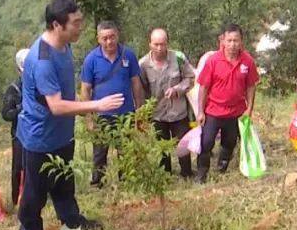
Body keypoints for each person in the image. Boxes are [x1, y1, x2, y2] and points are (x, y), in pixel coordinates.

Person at [17, 0, 124, 230]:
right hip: (40, 137)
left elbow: (67, 93)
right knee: (35, 191)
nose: (80, 28)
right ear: (57, 25)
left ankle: (72, 221)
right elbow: (56, 106)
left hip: (62, 134)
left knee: (64, 183)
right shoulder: (42, 60)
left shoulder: (65, 46)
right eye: (75, 23)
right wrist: (96, 106)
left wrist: (84, 111)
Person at [80, 21, 145, 186]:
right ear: (98, 39)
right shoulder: (91, 59)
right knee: (99, 153)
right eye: (105, 38)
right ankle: (97, 184)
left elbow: (136, 84)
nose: (109, 42)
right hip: (102, 116)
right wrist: (89, 118)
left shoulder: (128, 55)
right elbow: (85, 89)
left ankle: (126, 181)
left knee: (126, 151)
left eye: (112, 37)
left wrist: (140, 111)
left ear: (118, 35)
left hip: (126, 114)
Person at [196, 23, 259, 183]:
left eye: (236, 40)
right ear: (223, 41)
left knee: (230, 141)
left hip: (236, 112)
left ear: (241, 41)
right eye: (229, 40)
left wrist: (249, 108)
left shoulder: (247, 61)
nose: (232, 44)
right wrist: (200, 111)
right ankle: (202, 173)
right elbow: (203, 87)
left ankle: (222, 166)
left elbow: (251, 86)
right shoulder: (213, 60)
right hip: (213, 111)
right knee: (206, 142)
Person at [138, 28, 196, 177]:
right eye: (156, 44)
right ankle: (166, 176)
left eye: (162, 44)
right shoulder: (143, 65)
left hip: (179, 112)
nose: (159, 48)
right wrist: (143, 114)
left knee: (182, 146)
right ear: (149, 44)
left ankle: (186, 174)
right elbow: (141, 90)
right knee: (161, 148)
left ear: (167, 44)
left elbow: (190, 79)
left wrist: (178, 89)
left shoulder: (178, 58)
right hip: (158, 114)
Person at [2, 48, 30, 207]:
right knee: (18, 167)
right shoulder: (14, 89)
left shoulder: (40, 84)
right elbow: (6, 114)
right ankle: (16, 198)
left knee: (34, 166)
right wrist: (22, 108)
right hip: (19, 134)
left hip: (37, 132)